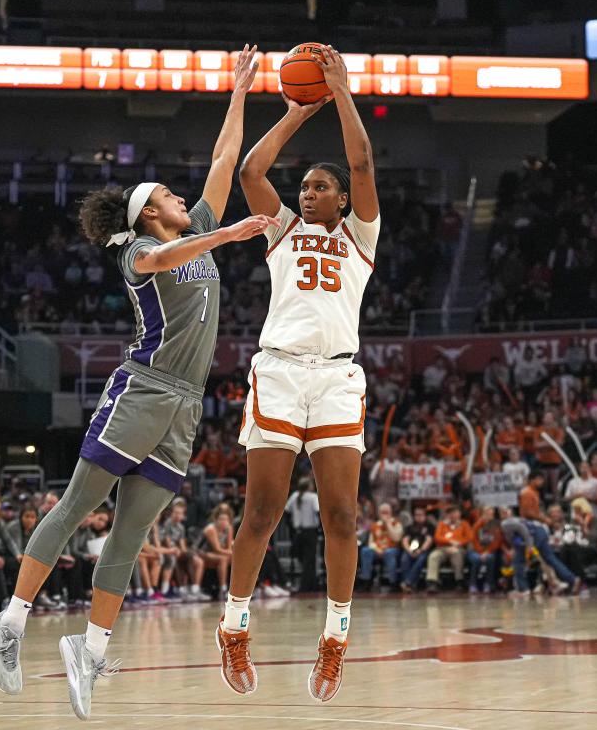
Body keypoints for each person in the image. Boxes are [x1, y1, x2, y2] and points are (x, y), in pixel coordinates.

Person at [0, 44, 269, 722]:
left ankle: (90, 647)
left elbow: (225, 162)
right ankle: (12, 623)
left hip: (186, 404)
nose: (181, 196)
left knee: (133, 532)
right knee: (78, 504)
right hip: (141, 388)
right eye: (169, 196)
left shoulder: (191, 226)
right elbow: (175, 253)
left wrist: (237, 92)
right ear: (147, 214)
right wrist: (228, 236)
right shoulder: (140, 250)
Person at [221, 45, 380, 702]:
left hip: (338, 379)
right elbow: (253, 168)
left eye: (320, 186)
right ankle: (234, 628)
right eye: (305, 186)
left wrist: (341, 95)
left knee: (342, 516)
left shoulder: (360, 236)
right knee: (262, 510)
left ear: (342, 198)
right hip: (281, 373)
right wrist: (295, 109)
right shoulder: (282, 230)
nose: (307, 191)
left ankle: (335, 641)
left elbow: (365, 160)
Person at [285, 476, 321, 592]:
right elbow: (318, 511)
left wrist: (290, 527)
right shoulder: (313, 497)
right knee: (309, 560)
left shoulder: (294, 496)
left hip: (298, 533)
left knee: (304, 559)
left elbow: (286, 511)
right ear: (308, 486)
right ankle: (306, 586)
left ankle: (311, 583)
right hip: (310, 532)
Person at [426, 505, 473, 592]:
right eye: (450, 513)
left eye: (454, 512)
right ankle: (432, 582)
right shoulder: (442, 524)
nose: (452, 515)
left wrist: (457, 543)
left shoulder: (464, 524)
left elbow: (469, 538)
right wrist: (450, 542)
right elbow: (437, 537)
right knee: (433, 556)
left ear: (459, 514)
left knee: (456, 554)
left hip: (458, 548)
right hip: (442, 548)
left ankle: (459, 581)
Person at [357, 502, 402, 592]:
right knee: (365, 550)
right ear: (379, 513)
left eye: (387, 512)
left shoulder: (396, 523)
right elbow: (371, 542)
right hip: (377, 550)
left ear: (391, 513)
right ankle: (366, 581)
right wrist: (377, 550)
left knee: (389, 553)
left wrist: (388, 524)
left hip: (392, 549)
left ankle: (393, 582)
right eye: (382, 512)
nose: (384, 515)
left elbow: (397, 538)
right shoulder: (375, 525)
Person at [399, 506, 434, 592]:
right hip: (410, 550)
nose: (418, 517)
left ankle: (408, 582)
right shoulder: (409, 527)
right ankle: (410, 585)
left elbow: (428, 540)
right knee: (404, 559)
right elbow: (405, 540)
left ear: (425, 516)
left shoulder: (429, 526)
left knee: (421, 559)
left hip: (423, 550)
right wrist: (409, 550)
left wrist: (421, 550)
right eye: (416, 515)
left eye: (421, 515)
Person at [468, 506, 502, 593]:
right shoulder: (477, 525)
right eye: (486, 512)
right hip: (476, 550)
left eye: (490, 513)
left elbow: (497, 542)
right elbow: (474, 540)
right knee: (476, 559)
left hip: (489, 551)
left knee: (490, 558)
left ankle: (488, 583)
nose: (488, 515)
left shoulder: (496, 525)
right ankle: (473, 584)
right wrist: (481, 552)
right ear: (482, 514)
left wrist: (487, 552)